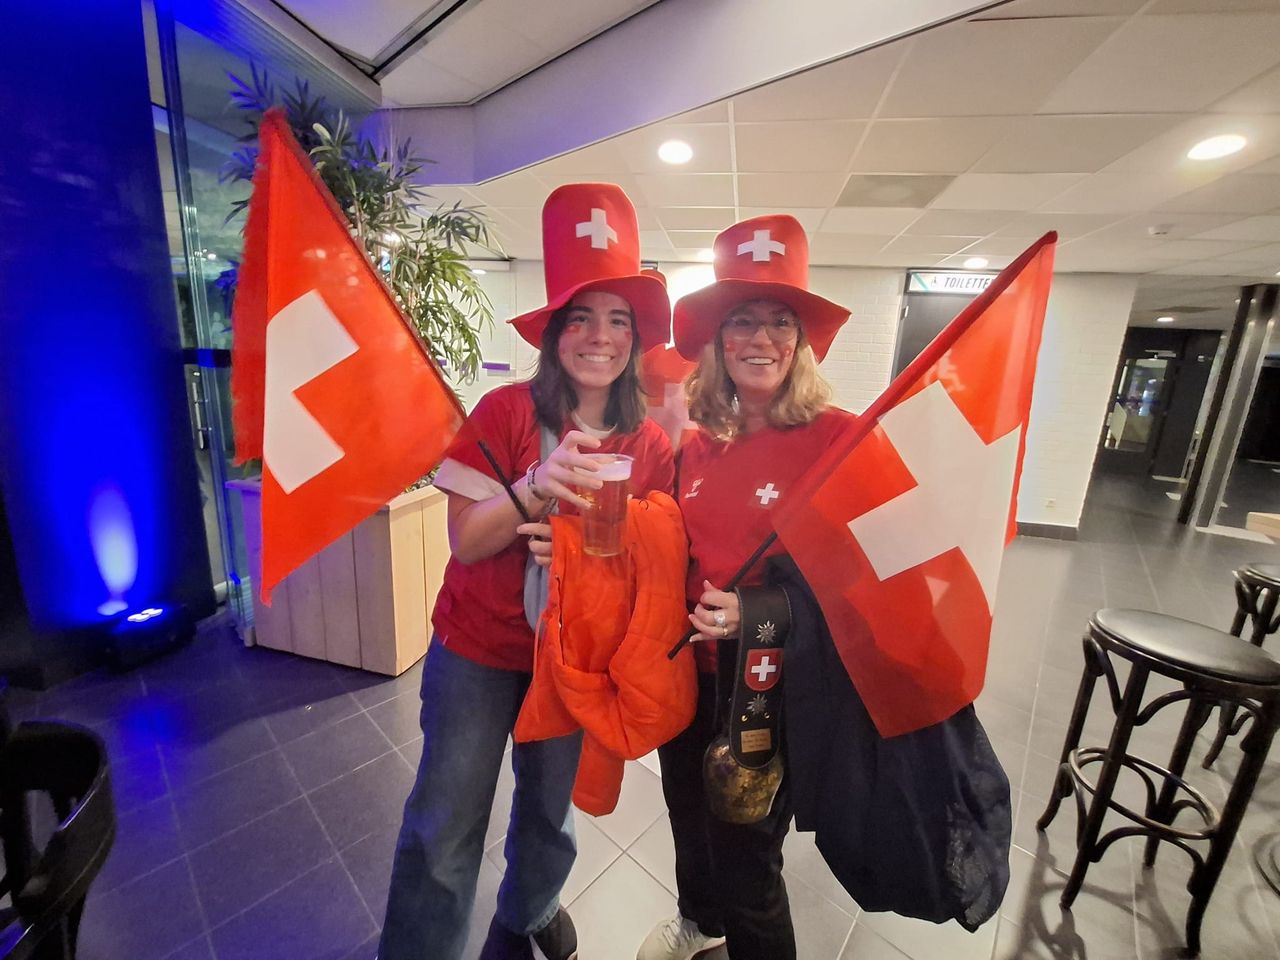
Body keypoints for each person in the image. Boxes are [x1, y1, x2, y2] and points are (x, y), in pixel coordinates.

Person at [380, 183, 674, 960]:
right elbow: (469, 543)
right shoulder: (505, 413)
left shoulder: (650, 445)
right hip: (480, 649)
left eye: (618, 320)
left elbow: (654, 560)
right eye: (581, 318)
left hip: (577, 656)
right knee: (446, 821)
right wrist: (535, 488)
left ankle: (530, 909)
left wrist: (587, 558)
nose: (600, 337)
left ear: (636, 338)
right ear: (555, 334)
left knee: (550, 812)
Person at [637, 215, 854, 960]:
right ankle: (701, 924)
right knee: (688, 813)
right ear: (718, 344)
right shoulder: (695, 446)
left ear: (800, 344)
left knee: (747, 853)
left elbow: (869, 586)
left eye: (779, 324)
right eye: (742, 324)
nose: (760, 341)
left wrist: (758, 614)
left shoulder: (842, 440)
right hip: (687, 675)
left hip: (770, 681)